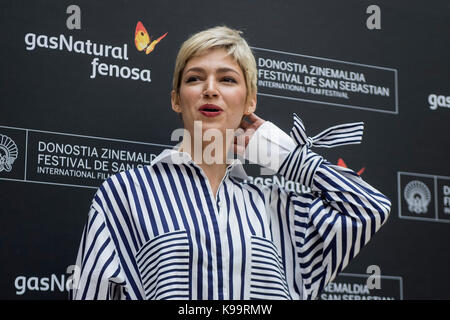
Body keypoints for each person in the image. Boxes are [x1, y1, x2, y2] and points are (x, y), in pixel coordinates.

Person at [69, 26, 391, 300]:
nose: (210, 90)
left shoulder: (279, 208)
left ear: (250, 101)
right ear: (176, 98)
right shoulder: (125, 194)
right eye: (195, 78)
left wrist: (288, 158)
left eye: (227, 80)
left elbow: (369, 207)